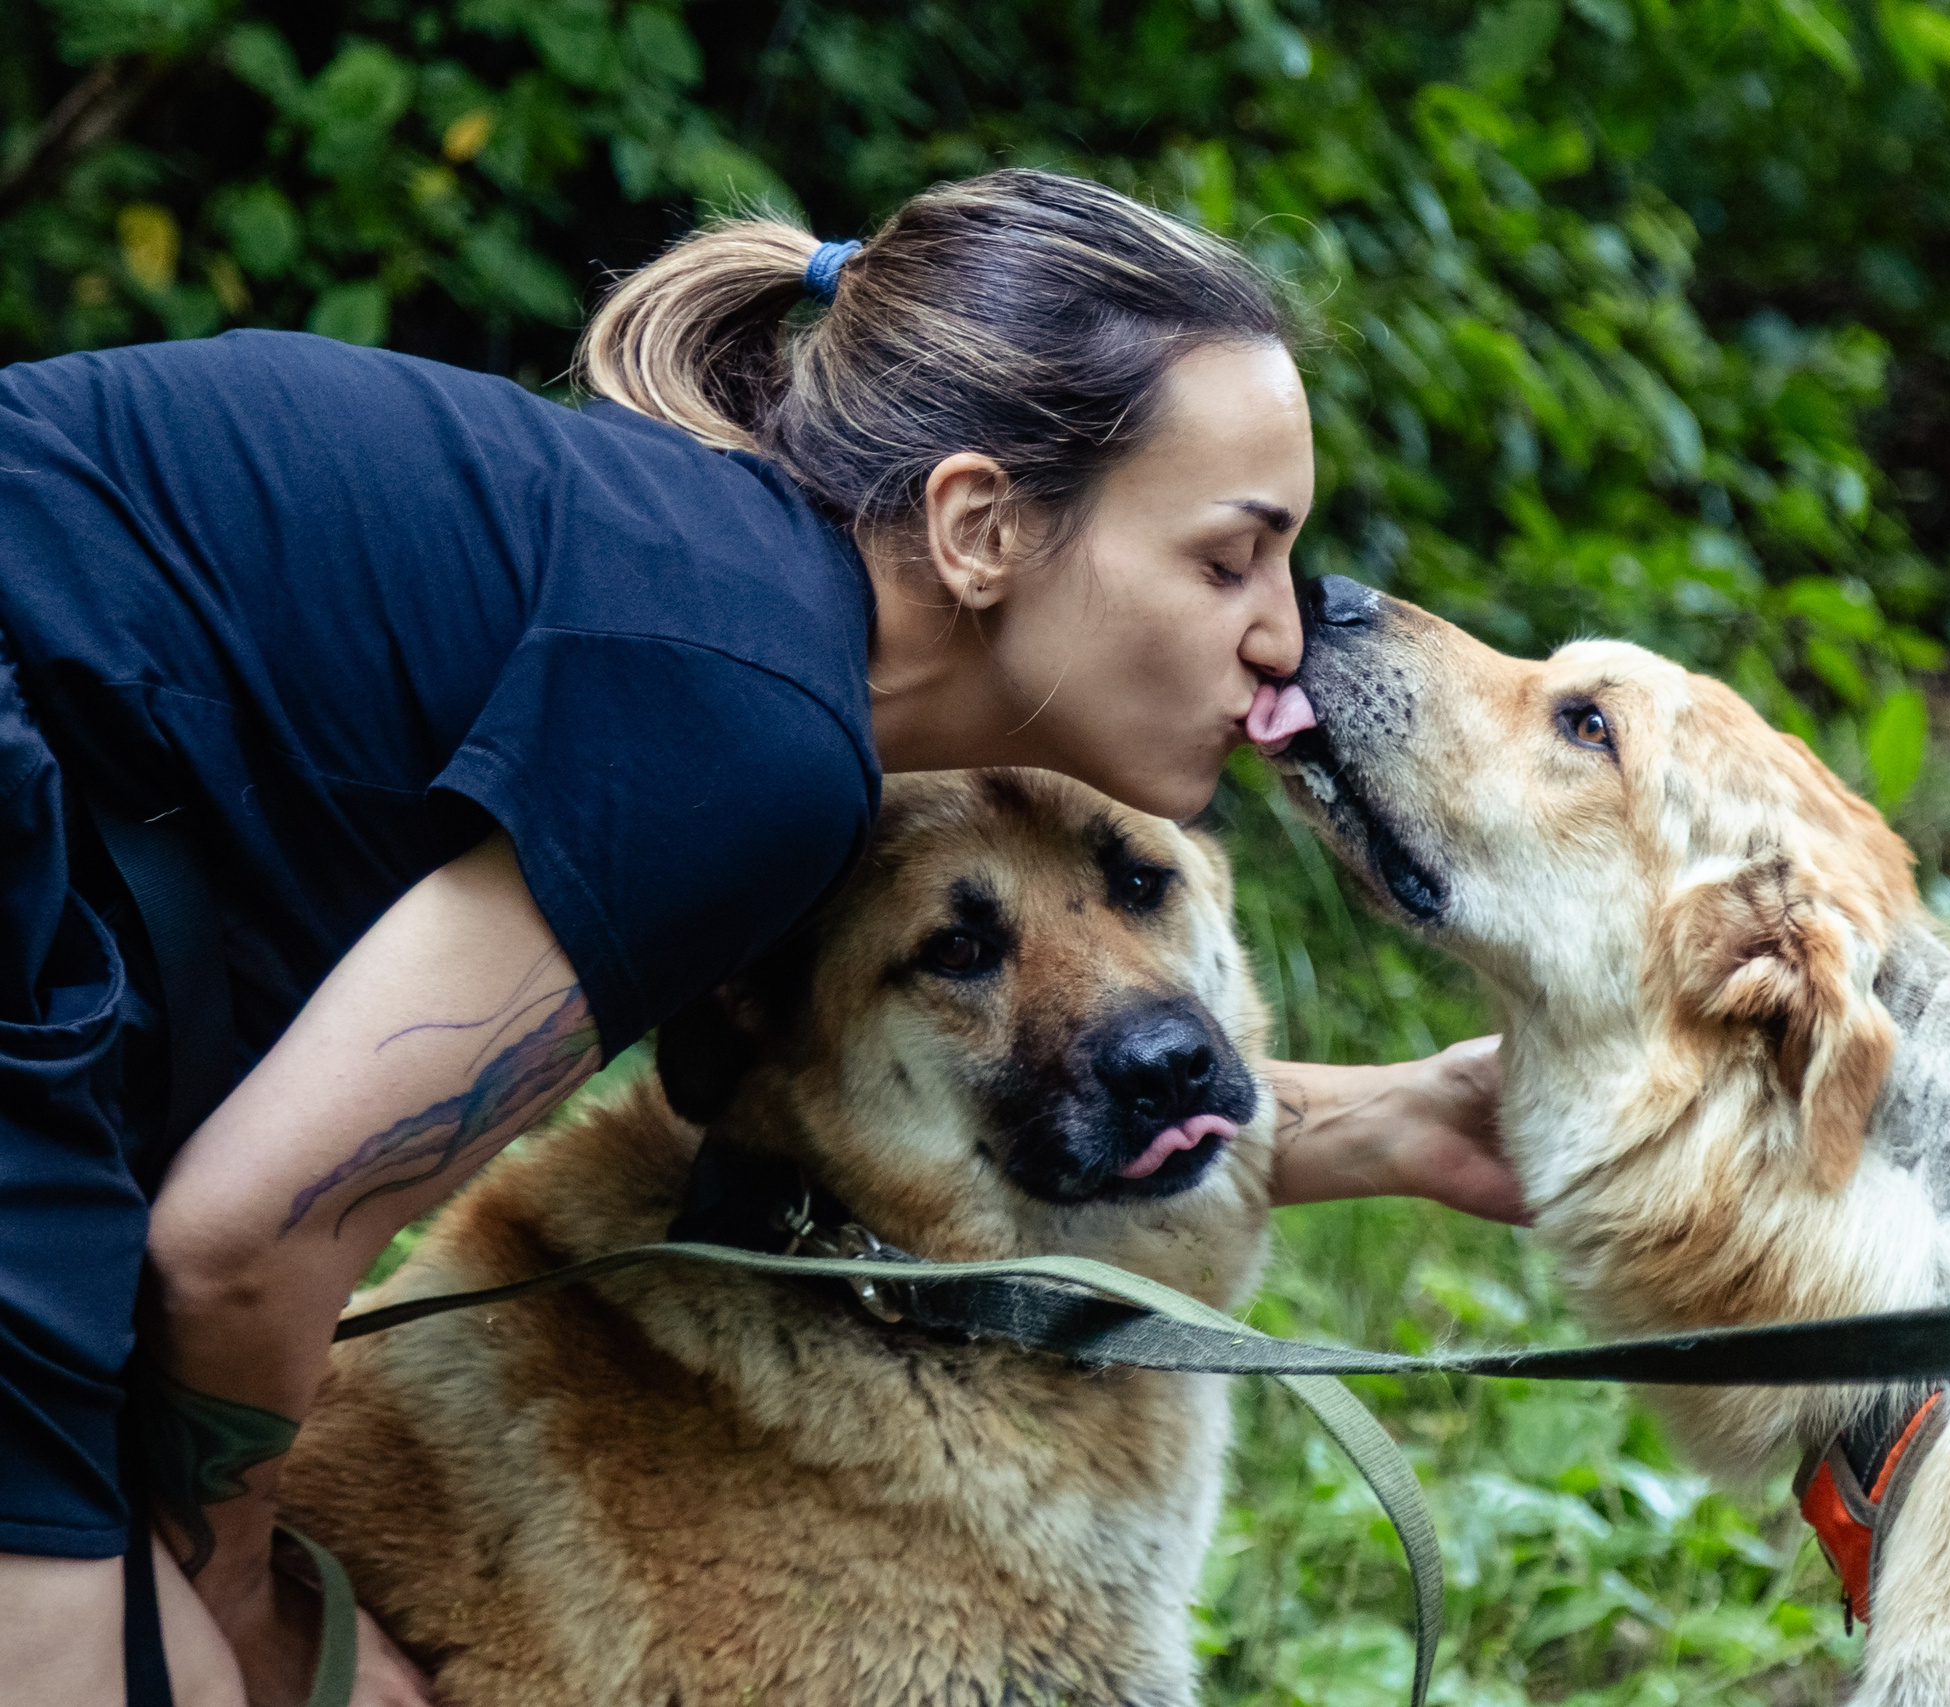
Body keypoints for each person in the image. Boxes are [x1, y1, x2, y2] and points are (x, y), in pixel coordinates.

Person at [0, 168, 1522, 1707]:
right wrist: (258, 1616)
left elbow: (866, 1109)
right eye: (1224, 559)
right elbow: (244, 1240)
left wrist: (1384, 1119)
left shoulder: (729, 625)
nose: (1280, 634)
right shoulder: (751, 738)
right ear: (982, 524)